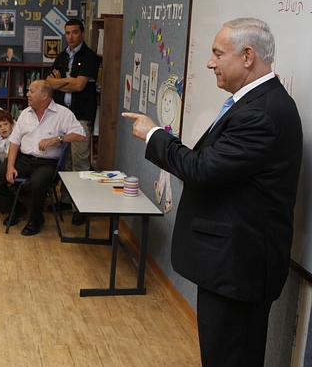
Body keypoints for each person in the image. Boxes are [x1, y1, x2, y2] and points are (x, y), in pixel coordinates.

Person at [123, 18, 303, 367]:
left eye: (218, 54)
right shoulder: (254, 103)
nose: (210, 63)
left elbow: (202, 169)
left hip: (239, 268)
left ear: (248, 56)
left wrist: (153, 135)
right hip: (231, 265)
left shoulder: (261, 114)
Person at [0, 80, 85, 236]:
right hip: (23, 159)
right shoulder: (25, 114)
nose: (27, 94)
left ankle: (36, 219)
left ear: (44, 95)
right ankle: (16, 209)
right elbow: (15, 142)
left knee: (36, 184)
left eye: (31, 91)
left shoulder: (63, 113)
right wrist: (10, 166)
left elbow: (81, 136)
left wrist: (56, 139)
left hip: (47, 163)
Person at [46, 18, 99, 226]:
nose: (70, 36)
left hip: (81, 116)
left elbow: (79, 86)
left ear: (83, 33)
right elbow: (50, 84)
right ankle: (67, 200)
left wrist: (62, 83)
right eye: (67, 33)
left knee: (80, 161)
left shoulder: (90, 57)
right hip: (62, 116)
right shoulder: (61, 57)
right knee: (65, 161)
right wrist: (66, 81)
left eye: (75, 32)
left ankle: (81, 207)